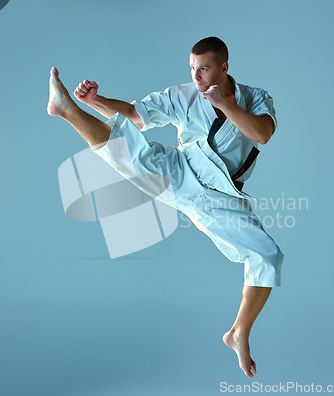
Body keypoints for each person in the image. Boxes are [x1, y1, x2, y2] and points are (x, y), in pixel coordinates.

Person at [47, 36, 284, 378]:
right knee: (132, 155)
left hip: (222, 194)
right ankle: (67, 107)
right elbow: (133, 115)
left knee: (268, 255)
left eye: (203, 69)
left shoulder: (256, 98)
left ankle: (238, 332)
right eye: (192, 68)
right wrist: (96, 100)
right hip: (183, 171)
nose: (197, 76)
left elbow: (263, 134)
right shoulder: (184, 95)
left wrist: (227, 106)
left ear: (224, 67)